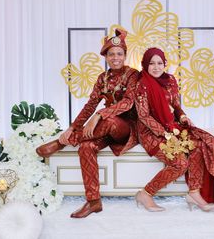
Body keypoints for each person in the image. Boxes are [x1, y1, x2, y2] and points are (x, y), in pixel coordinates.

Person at [36, 29, 139, 218]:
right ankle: (93, 202)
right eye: (111, 54)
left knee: (109, 120)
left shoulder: (133, 75)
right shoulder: (102, 78)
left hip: (125, 128)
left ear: (125, 55)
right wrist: (72, 127)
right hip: (104, 128)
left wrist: (100, 114)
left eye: (119, 53)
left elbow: (128, 102)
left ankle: (61, 143)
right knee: (86, 146)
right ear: (106, 57)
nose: (115, 57)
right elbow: (90, 104)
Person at [134, 47, 214, 212]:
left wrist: (182, 117)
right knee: (180, 163)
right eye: (151, 63)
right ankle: (146, 193)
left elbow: (175, 106)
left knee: (199, 145)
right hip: (151, 133)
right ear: (145, 65)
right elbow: (144, 116)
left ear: (164, 64)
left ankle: (194, 193)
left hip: (172, 128)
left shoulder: (170, 81)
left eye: (159, 63)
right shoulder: (142, 85)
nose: (156, 67)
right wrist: (166, 134)